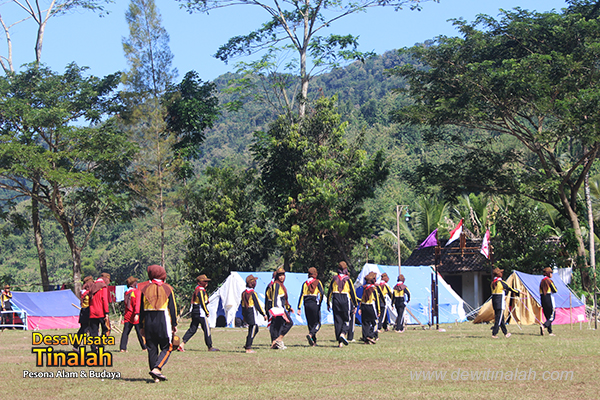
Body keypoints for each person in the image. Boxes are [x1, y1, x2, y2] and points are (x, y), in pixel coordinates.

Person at [139, 265, 178, 382]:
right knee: (167, 347)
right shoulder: (168, 288)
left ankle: (155, 376)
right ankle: (157, 368)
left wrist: (141, 326)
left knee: (152, 348)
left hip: (148, 320)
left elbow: (141, 309)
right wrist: (174, 324)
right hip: (162, 319)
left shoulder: (144, 289)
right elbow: (172, 308)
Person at [179, 274, 219, 352]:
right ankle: (210, 347)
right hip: (200, 312)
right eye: (205, 281)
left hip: (195, 311)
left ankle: (182, 344)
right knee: (207, 329)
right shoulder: (200, 290)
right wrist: (206, 312)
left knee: (193, 329)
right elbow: (202, 303)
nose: (207, 283)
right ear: (200, 282)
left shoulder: (197, 289)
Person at [327, 261, 358, 347]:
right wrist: (355, 305)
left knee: (338, 321)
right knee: (347, 319)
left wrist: (328, 303)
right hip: (345, 300)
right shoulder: (348, 279)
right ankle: (343, 334)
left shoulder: (334, 279)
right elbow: (352, 293)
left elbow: (329, 291)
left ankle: (340, 342)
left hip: (335, 299)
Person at [297, 267, 324, 346]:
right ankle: (311, 335)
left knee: (310, 323)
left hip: (306, 304)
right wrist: (320, 302)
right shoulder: (318, 282)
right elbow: (322, 293)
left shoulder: (305, 283)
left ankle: (313, 342)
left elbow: (301, 295)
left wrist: (299, 307)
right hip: (314, 303)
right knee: (317, 323)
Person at [491, 267, 520, 339]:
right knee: (498, 318)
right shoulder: (501, 282)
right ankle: (494, 333)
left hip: (494, 301)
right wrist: (519, 292)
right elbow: (510, 288)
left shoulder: (492, 283)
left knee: (501, 318)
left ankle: (505, 333)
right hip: (500, 302)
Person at [120, 276, 147, 352]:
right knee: (139, 332)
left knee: (125, 332)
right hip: (135, 314)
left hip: (127, 314)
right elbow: (137, 304)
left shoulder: (126, 292)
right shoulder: (136, 292)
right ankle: (144, 347)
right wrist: (137, 314)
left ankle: (122, 348)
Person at [269, 267, 294, 349]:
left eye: (283, 275)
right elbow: (274, 297)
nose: (282, 277)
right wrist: (274, 309)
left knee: (277, 326)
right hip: (278, 309)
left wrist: (289, 307)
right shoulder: (276, 284)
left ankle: (274, 344)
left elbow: (284, 299)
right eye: (280, 275)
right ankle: (279, 340)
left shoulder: (281, 285)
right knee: (289, 322)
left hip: (281, 308)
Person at [241, 275, 267, 353]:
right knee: (253, 328)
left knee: (254, 329)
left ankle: (247, 343)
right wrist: (263, 314)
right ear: (252, 283)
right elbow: (257, 305)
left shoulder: (243, 293)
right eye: (254, 282)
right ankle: (248, 347)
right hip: (251, 311)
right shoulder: (252, 293)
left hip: (245, 311)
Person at [89, 273, 110, 352]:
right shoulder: (103, 287)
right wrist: (107, 313)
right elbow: (105, 300)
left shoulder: (92, 286)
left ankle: (94, 348)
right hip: (101, 312)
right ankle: (101, 345)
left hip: (92, 312)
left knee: (93, 331)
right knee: (105, 330)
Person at [358, 272, 381, 344]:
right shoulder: (374, 289)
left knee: (365, 323)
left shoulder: (364, 288)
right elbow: (377, 300)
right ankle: (370, 336)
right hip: (371, 306)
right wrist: (379, 311)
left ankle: (365, 339)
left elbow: (362, 298)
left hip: (364, 306)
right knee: (375, 322)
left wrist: (360, 308)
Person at [73, 276, 94, 350]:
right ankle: (93, 347)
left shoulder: (83, 292)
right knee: (89, 330)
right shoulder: (88, 293)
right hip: (88, 311)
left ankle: (75, 346)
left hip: (83, 311)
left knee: (83, 330)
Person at [539, 267, 558, 336]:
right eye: (551, 273)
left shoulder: (541, 282)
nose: (552, 274)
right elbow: (555, 290)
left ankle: (550, 332)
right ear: (548, 273)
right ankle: (543, 326)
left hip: (543, 300)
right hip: (549, 300)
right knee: (552, 316)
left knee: (547, 316)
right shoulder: (549, 281)